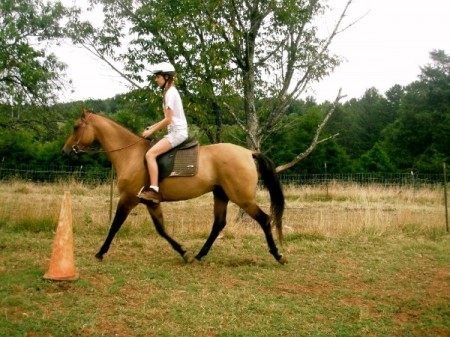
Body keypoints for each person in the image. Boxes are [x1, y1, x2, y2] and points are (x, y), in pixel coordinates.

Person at [138, 62, 188, 203]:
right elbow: (167, 118)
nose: (156, 79)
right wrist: (151, 127)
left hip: (177, 133)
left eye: (158, 76)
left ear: (166, 77)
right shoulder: (169, 92)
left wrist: (152, 131)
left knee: (150, 154)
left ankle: (154, 190)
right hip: (175, 131)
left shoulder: (170, 93)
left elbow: (168, 120)